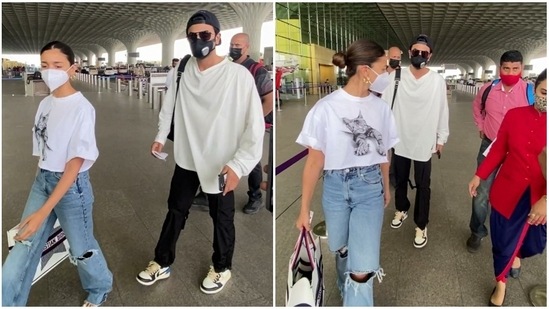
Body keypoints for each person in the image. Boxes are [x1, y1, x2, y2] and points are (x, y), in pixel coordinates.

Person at [135, 10, 264, 294]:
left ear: (218, 37)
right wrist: (160, 136)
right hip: (187, 158)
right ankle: (162, 260)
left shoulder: (237, 76)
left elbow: (253, 126)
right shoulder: (182, 69)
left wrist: (239, 165)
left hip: (221, 163)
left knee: (222, 218)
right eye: (192, 36)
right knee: (176, 210)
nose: (198, 40)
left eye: (205, 35)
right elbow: (169, 104)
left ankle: (222, 268)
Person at [2, 41, 113, 307]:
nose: (49, 71)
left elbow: (73, 166)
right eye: (44, 65)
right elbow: (45, 152)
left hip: (72, 188)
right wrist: (41, 189)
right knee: (23, 244)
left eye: (57, 65)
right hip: (44, 180)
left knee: (81, 247)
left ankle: (100, 287)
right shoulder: (46, 104)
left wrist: (43, 212)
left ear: (72, 69)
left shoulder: (82, 108)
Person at [295, 39, 398, 306]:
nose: (386, 73)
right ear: (365, 70)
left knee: (361, 269)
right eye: (382, 67)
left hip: (369, 186)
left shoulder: (382, 109)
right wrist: (304, 209)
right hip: (334, 188)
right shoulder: (325, 108)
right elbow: (314, 162)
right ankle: (345, 288)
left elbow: (384, 152)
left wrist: (385, 186)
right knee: (342, 250)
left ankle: (355, 292)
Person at [468, 68, 546, 307]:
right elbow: (500, 149)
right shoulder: (515, 115)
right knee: (501, 238)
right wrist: (479, 175)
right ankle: (500, 281)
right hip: (508, 188)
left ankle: (516, 255)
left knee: (532, 240)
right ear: (535, 89)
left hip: (538, 196)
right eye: (545, 91)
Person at [381, 34, 449, 248]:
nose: (419, 56)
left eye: (424, 53)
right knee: (400, 179)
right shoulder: (396, 76)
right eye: (416, 52)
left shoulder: (437, 81)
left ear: (430, 56)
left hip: (424, 140)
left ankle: (421, 223)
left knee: (423, 185)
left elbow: (442, 110)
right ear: (409, 53)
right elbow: (382, 104)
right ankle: (401, 208)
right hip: (400, 139)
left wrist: (441, 137)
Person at [467, 50, 533, 252]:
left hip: (517, 151)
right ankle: (477, 230)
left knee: (514, 194)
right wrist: (480, 125)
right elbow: (477, 107)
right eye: (506, 68)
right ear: (499, 68)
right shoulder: (488, 89)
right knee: (481, 193)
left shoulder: (530, 92)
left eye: (515, 68)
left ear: (521, 68)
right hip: (489, 146)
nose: (511, 72)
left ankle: (510, 236)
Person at [229, 32, 274, 214]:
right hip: (230, 122)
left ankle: (255, 196)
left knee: (252, 159)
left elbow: (269, 101)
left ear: (247, 47)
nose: (234, 48)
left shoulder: (257, 70)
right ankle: (213, 192)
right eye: (232, 44)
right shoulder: (228, 68)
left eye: (238, 45)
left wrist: (254, 123)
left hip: (250, 124)